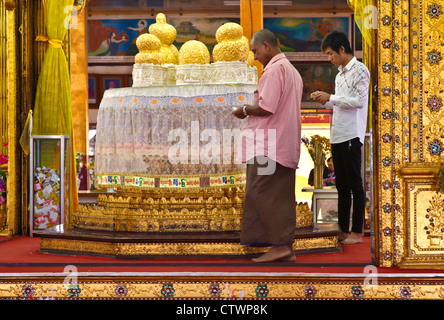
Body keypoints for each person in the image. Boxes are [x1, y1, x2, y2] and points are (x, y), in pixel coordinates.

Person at [232, 29, 303, 262]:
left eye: (255, 51)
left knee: (260, 193)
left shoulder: (274, 70)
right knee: (279, 196)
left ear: (266, 46)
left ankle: (280, 246)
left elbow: (266, 108)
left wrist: (243, 110)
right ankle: (284, 246)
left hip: (268, 146)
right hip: (282, 144)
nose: (254, 56)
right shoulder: (292, 71)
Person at [312, 30, 369, 245]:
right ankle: (342, 229)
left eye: (330, 54)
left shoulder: (360, 70)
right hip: (337, 134)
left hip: (352, 134)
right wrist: (324, 101)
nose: (329, 59)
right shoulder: (339, 74)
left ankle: (357, 231)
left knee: (355, 184)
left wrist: (332, 98)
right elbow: (338, 103)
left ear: (342, 49)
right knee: (341, 185)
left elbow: (359, 102)